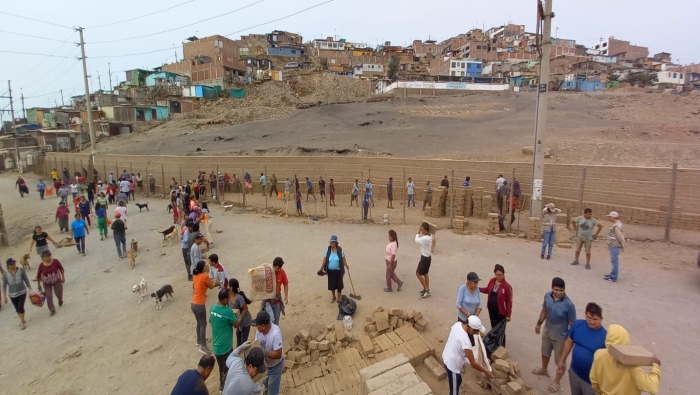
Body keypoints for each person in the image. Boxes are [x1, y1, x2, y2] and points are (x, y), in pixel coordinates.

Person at [533, 277, 576, 393]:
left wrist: (571, 340)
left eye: (561, 290)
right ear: (552, 288)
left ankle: (557, 381)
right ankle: (544, 369)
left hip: (560, 337)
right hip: (547, 331)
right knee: (545, 352)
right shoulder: (547, 296)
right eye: (556, 289)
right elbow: (544, 311)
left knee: (560, 361)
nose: (558, 292)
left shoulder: (569, 305)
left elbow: (572, 324)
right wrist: (538, 324)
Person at [589, 325, 661, 395]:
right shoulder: (632, 365)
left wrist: (600, 393)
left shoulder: (599, 354)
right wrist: (655, 366)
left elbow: (594, 381)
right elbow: (652, 388)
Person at [556, 302, 607, 395]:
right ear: (585, 315)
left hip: (591, 382)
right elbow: (569, 342)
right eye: (589, 318)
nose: (591, 321)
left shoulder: (606, 337)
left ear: (601, 319)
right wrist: (562, 360)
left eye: (595, 319)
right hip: (574, 373)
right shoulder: (578, 325)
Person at [442, 316, 493, 395]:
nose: (477, 334)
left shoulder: (458, 325)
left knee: (459, 380)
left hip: (446, 355)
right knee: (454, 393)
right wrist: (486, 371)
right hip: (452, 366)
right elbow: (473, 363)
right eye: (477, 332)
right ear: (472, 329)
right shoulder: (466, 342)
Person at [210, 289, 239, 393]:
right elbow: (236, 324)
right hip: (226, 346)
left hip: (216, 346)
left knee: (222, 369)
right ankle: (225, 390)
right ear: (225, 299)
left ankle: (222, 388)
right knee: (227, 370)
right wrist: (240, 316)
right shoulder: (227, 311)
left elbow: (210, 320)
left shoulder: (213, 308)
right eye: (228, 298)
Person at [192, 260, 221, 355]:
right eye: (205, 266)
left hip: (193, 303)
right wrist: (216, 283)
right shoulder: (205, 276)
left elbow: (194, 287)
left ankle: (199, 340)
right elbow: (211, 286)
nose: (206, 266)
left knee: (199, 323)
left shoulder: (196, 276)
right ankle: (203, 346)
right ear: (203, 268)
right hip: (200, 304)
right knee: (203, 323)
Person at [479, 264, 513, 342]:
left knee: (500, 330)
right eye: (497, 275)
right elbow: (487, 290)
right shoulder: (492, 281)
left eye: (501, 275)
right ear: (495, 274)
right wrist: (478, 289)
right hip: (491, 310)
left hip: (500, 313)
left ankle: (501, 344)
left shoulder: (507, 287)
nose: (499, 277)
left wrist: (508, 315)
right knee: (494, 327)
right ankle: (494, 343)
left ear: (503, 274)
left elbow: (509, 302)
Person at [253, 311, 284, 395]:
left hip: (276, 366)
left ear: (263, 326)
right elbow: (257, 344)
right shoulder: (259, 332)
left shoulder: (275, 334)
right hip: (266, 365)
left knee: (272, 391)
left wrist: (263, 353)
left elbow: (278, 354)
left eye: (257, 325)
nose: (256, 327)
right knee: (267, 385)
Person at [3, 258, 32, 330]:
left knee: (20, 306)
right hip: (12, 294)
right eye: (11, 264)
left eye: (14, 263)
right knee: (17, 309)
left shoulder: (20, 270)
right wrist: (4, 297)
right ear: (8, 266)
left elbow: (25, 278)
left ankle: (22, 322)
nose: (13, 265)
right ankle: (22, 319)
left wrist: (29, 286)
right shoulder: (5, 274)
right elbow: (4, 286)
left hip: (22, 291)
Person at [319, 235, 349, 303]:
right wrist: (321, 268)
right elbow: (325, 260)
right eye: (330, 242)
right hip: (330, 270)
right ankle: (333, 296)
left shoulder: (340, 250)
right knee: (332, 285)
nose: (331, 244)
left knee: (339, 285)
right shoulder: (328, 249)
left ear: (335, 242)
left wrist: (346, 265)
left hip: (338, 270)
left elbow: (343, 259)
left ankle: (339, 298)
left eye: (332, 242)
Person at [36, 251, 65, 317]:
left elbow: (61, 269)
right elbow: (38, 276)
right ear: (43, 257)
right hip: (47, 283)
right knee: (49, 296)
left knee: (59, 293)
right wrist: (39, 285)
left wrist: (63, 277)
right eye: (46, 256)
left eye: (49, 255)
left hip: (57, 280)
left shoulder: (55, 261)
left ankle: (60, 299)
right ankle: (52, 310)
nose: (48, 257)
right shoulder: (41, 265)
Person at [263, 257, 288, 325]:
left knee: (276, 320)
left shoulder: (282, 272)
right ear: (273, 266)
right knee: (271, 319)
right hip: (268, 300)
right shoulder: (267, 273)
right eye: (277, 268)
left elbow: (285, 284)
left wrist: (286, 295)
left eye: (280, 268)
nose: (278, 270)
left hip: (277, 299)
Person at [229, 278, 253, 348]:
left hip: (245, 321)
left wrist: (239, 319)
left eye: (229, 286)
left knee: (243, 342)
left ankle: (244, 357)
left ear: (231, 288)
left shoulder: (239, 298)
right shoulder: (229, 297)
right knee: (238, 343)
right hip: (238, 322)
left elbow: (245, 309)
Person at [604, 211, 625, 283]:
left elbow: (619, 237)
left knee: (614, 262)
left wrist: (622, 245)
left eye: (610, 217)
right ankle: (612, 274)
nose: (609, 218)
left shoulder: (616, 226)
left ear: (613, 217)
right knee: (613, 261)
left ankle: (613, 277)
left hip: (614, 245)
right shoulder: (618, 224)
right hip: (613, 244)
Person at [415, 222, 433, 298]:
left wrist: (418, 231)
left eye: (422, 230)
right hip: (428, 258)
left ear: (426, 231)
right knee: (425, 273)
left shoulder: (425, 239)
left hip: (424, 258)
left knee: (418, 273)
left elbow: (416, 240)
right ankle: (427, 289)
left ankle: (426, 289)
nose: (421, 231)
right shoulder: (430, 236)